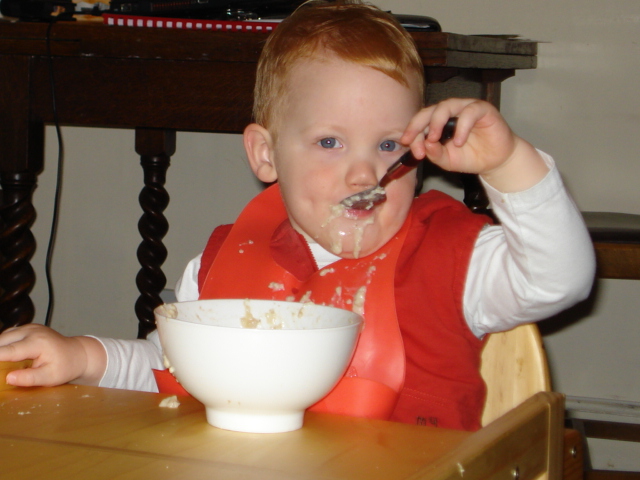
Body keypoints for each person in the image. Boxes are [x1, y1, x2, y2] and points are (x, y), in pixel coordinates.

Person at [0, 0, 595, 431]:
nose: (363, 174)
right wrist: (83, 357)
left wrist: (509, 164)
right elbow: (172, 366)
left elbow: (560, 278)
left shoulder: (455, 260)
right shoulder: (222, 265)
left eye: (388, 145)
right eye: (330, 143)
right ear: (265, 154)